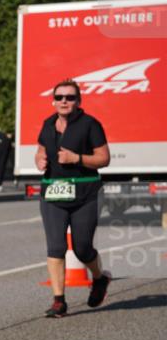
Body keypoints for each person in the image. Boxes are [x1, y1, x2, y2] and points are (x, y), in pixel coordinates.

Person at [35, 79, 112, 317]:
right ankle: (59, 300)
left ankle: (99, 278)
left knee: (82, 248)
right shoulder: (48, 124)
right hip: (53, 192)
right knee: (56, 246)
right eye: (59, 97)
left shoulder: (90, 124)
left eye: (69, 97)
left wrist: (77, 158)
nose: (64, 101)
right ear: (53, 100)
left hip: (85, 193)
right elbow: (40, 150)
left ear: (78, 101)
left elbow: (104, 158)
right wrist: (39, 160)